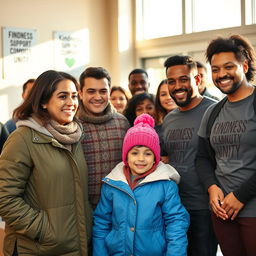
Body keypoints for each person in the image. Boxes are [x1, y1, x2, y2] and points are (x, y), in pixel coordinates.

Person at [0, 70, 92, 256]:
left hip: (76, 244)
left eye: (74, 96)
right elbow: (5, 199)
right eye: (62, 96)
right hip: (37, 248)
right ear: (43, 102)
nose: (71, 103)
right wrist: (45, 230)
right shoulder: (22, 138)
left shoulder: (75, 136)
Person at [93, 114, 189, 256]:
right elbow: (102, 223)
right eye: (135, 153)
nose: (141, 159)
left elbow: (176, 223)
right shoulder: (112, 184)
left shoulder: (166, 185)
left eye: (148, 154)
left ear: (156, 157)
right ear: (126, 156)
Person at [196, 34, 256, 256]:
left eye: (228, 67)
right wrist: (212, 187)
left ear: (244, 65)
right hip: (222, 213)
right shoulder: (212, 112)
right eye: (215, 69)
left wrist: (240, 195)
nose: (221, 75)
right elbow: (202, 158)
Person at [161, 55, 218, 256]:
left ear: (197, 80)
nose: (177, 86)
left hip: (204, 209)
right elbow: (167, 158)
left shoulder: (214, 111)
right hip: (173, 208)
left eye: (184, 79)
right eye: (171, 81)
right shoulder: (169, 118)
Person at [78, 67, 130, 210]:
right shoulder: (72, 125)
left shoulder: (122, 123)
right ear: (80, 93)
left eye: (103, 91)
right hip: (83, 209)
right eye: (91, 91)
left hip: (119, 207)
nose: (98, 97)